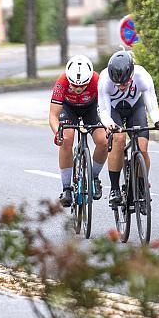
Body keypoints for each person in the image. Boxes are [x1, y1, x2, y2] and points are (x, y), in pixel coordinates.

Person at [97, 50, 159, 207]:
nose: (122, 87)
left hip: (135, 107)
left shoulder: (142, 76)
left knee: (142, 147)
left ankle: (141, 187)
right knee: (119, 138)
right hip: (113, 109)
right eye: (118, 84)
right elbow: (104, 111)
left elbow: (152, 105)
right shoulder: (104, 81)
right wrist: (109, 124)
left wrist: (158, 121)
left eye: (125, 83)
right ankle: (114, 189)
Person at [49, 55, 108, 207]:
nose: (78, 89)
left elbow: (106, 108)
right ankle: (66, 188)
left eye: (82, 86)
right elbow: (53, 115)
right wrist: (58, 133)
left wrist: (109, 125)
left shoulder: (97, 80)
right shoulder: (62, 82)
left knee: (103, 141)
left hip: (92, 109)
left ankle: (94, 177)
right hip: (69, 109)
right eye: (74, 86)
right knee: (67, 138)